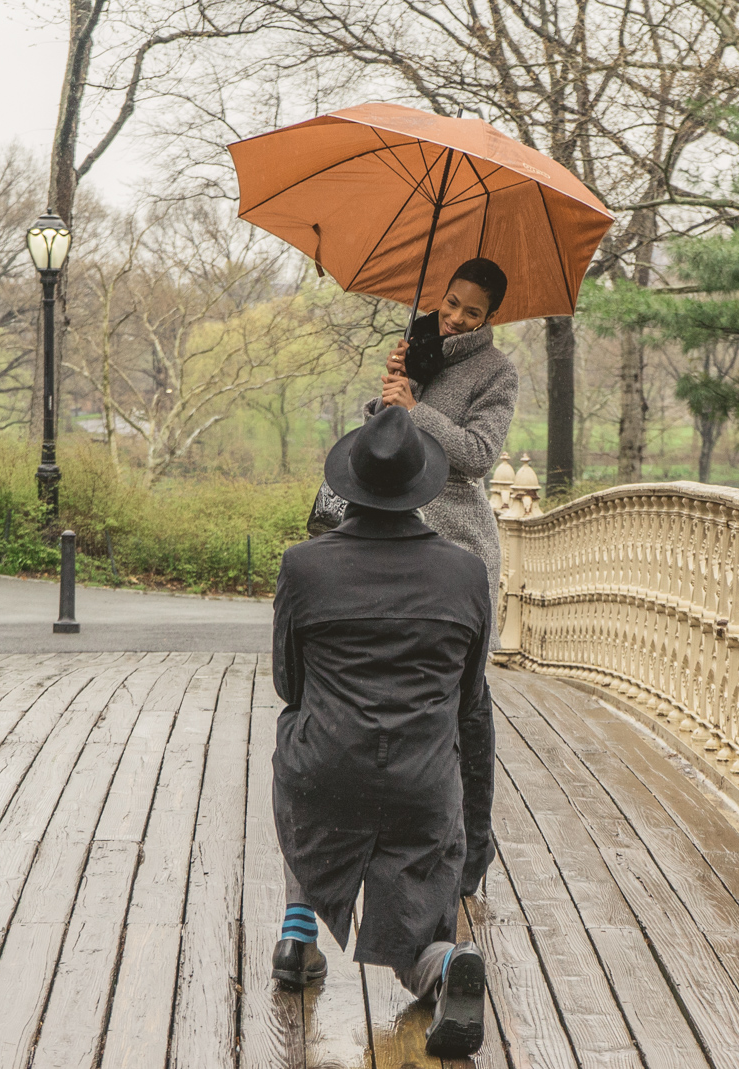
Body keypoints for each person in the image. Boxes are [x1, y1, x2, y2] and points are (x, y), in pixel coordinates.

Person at [269, 406, 491, 1057]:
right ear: (421, 487)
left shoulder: (304, 566)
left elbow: (290, 682)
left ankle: (299, 930)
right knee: (418, 938)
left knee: (297, 734)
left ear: (351, 485)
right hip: (422, 784)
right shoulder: (465, 571)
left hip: (327, 772)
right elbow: (470, 698)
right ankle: (446, 964)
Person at [367, 256, 516, 897]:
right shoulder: (416, 350)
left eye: (472, 311)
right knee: (397, 698)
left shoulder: (497, 373)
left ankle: (471, 857)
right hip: (396, 542)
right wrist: (388, 399)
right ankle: (400, 841)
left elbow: (479, 458)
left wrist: (417, 411)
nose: (455, 317)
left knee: (465, 707)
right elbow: (383, 443)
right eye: (451, 302)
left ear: (490, 318)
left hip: (458, 552)